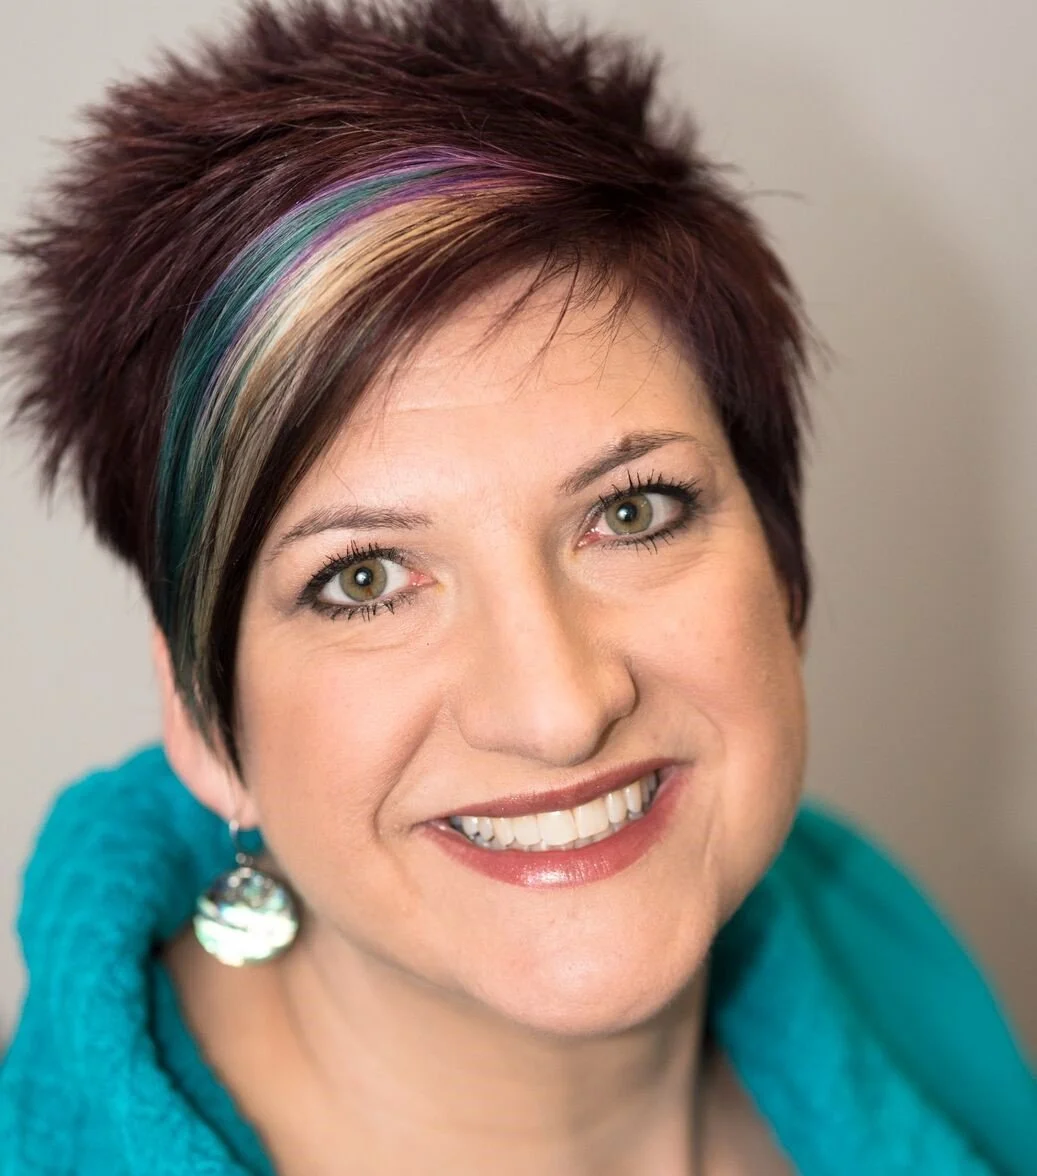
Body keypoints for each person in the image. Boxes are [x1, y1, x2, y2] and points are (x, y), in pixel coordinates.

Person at [1, 0, 1034, 1172]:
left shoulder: (876, 945)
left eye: (628, 513)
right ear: (202, 716)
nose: (556, 709)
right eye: (365, 577)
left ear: (781, 565)